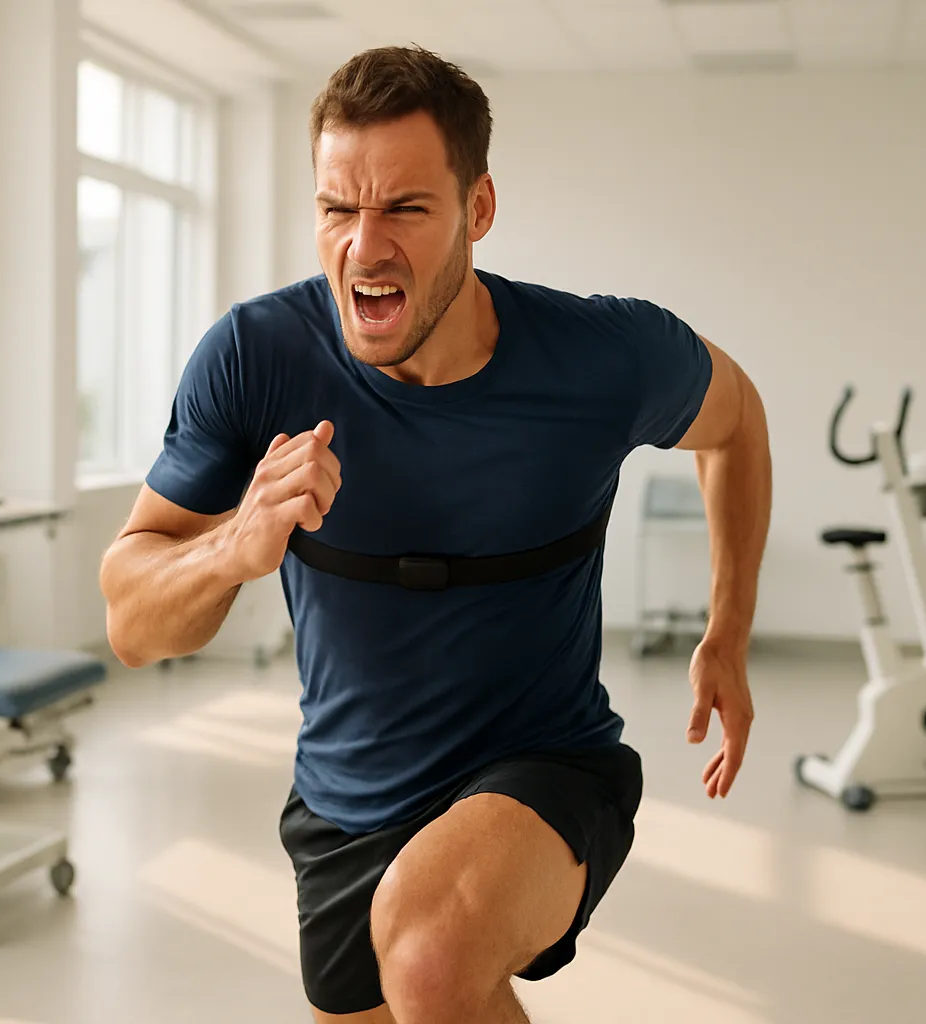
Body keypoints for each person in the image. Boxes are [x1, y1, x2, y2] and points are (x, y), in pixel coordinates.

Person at [100, 45, 771, 1024]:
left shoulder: (600, 356)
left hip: (544, 765)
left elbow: (738, 420)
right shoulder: (254, 357)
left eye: (406, 209)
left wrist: (729, 627)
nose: (364, 245)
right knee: (412, 973)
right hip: (346, 801)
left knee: (429, 952)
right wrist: (231, 547)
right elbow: (130, 622)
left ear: (478, 210)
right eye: (337, 208)